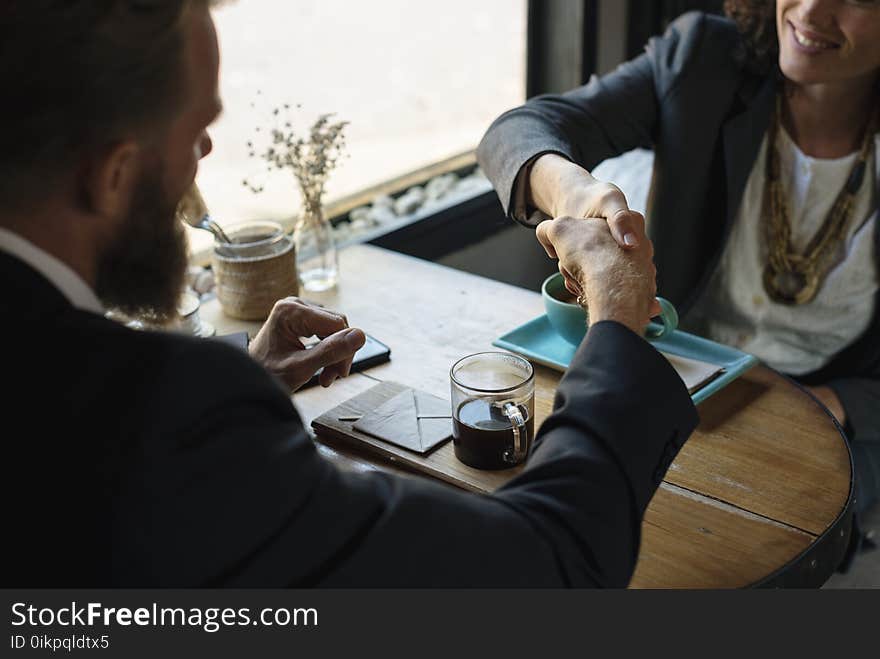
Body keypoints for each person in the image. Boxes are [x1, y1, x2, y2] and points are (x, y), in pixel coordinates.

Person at [1, 0, 697, 587]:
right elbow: (545, 567)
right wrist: (616, 314)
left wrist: (242, 380)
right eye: (199, 135)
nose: (199, 165)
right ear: (113, 174)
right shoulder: (161, 417)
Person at [478, 0, 880, 556]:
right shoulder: (706, 58)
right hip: (680, 381)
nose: (811, 10)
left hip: (828, 413)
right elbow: (517, 132)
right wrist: (575, 194)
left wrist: (838, 403)